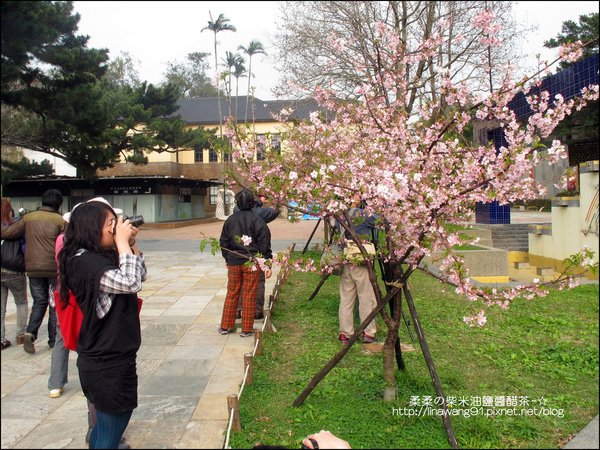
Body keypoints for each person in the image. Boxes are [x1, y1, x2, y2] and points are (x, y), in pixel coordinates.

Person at [57, 201, 145, 449]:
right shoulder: (83, 262)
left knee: (108, 428)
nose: (115, 228)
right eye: (110, 224)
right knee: (110, 430)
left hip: (115, 354)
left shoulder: (100, 256)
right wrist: (121, 243)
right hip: (105, 361)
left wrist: (129, 245)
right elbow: (130, 283)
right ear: (91, 227)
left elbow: (139, 276)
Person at [218, 189, 273, 337]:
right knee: (249, 294)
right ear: (253, 203)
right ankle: (246, 329)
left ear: (237, 203)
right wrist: (267, 265)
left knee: (232, 292)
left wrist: (227, 258)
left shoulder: (230, 220)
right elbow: (265, 245)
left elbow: (223, 242)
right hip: (252, 262)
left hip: (234, 261)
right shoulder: (258, 221)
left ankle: (225, 326)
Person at [22, 188, 65, 353]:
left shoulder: (28, 218)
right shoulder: (60, 221)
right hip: (53, 268)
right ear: (59, 203)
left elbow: (9, 232)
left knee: (39, 302)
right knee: (54, 302)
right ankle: (53, 339)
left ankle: (30, 332)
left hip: (33, 268)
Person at [233, 194, 280, 320]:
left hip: (237, 255)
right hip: (256, 255)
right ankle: (257, 311)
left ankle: (237, 310)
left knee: (238, 283)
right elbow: (274, 212)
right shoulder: (261, 216)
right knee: (258, 283)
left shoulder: (235, 212)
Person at [337, 202, 379, 344]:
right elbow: (380, 221)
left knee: (346, 299)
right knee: (366, 298)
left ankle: (345, 333)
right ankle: (368, 332)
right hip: (361, 261)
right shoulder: (363, 214)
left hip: (346, 259)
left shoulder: (340, 214)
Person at [1, 198, 29, 350]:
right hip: (15, 270)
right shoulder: (17, 226)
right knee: (21, 302)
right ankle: (20, 335)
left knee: (1, 308)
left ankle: (1, 339)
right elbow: (24, 248)